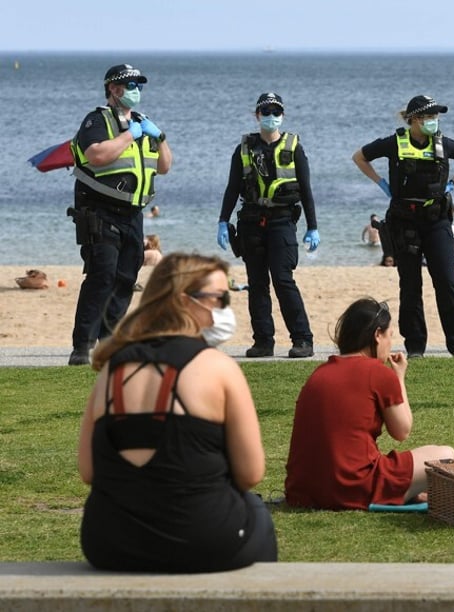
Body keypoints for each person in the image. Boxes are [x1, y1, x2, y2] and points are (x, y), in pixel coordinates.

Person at [77, 253, 277, 572]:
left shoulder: (111, 370)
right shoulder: (218, 368)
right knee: (256, 510)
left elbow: (88, 471)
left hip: (110, 542)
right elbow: (251, 473)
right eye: (220, 298)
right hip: (202, 539)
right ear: (185, 301)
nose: (226, 308)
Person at [284, 298, 454, 510]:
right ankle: (402, 493)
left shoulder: (319, 373)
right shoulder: (377, 372)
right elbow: (402, 431)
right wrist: (399, 378)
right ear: (377, 335)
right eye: (389, 336)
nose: (390, 344)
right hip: (354, 486)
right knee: (446, 454)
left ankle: (409, 492)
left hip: (304, 489)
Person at [352, 95, 454, 358]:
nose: (433, 121)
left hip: (437, 221)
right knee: (410, 285)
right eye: (428, 116)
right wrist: (381, 183)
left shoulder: (443, 144)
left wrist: (453, 184)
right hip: (404, 222)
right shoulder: (394, 143)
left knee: (446, 281)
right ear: (414, 120)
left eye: (436, 117)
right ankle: (416, 347)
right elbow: (360, 157)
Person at [67, 64, 173, 365]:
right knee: (102, 275)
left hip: (132, 213)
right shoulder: (96, 120)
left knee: (126, 277)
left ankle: (109, 338)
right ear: (113, 89)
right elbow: (96, 155)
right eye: (130, 85)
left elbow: (165, 166)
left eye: (138, 85)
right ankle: (82, 345)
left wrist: (160, 136)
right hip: (100, 211)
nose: (136, 90)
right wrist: (130, 136)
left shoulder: (143, 122)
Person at [217, 92, 319, 359]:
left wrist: (313, 226)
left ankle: (302, 340)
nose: (271, 117)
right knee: (257, 283)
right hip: (251, 223)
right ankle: (263, 341)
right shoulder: (244, 149)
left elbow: (306, 190)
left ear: (282, 116)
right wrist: (222, 220)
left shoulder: (294, 146)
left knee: (284, 280)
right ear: (257, 115)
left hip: (282, 222)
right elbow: (232, 188)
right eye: (266, 112)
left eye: (276, 112)